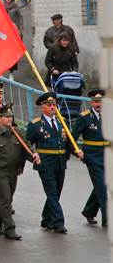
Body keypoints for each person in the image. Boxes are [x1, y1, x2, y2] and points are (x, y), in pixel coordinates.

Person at [0, 104, 40, 240]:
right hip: (0, 171)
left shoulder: (17, 133)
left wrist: (34, 154)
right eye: (7, 116)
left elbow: (27, 146)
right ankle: (9, 229)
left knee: (6, 199)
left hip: (14, 171)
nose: (10, 119)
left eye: (11, 116)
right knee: (6, 199)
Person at [26, 92, 83, 234]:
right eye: (49, 105)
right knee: (52, 192)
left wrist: (77, 151)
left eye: (54, 104)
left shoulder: (61, 121)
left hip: (60, 162)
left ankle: (46, 219)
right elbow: (27, 143)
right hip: (45, 163)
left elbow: (68, 141)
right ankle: (58, 222)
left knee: (56, 193)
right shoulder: (36, 124)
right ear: (42, 107)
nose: (52, 107)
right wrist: (34, 153)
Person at [72, 89, 107, 227]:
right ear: (91, 102)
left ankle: (89, 211)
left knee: (103, 185)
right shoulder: (84, 117)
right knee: (102, 187)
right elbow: (73, 138)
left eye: (101, 101)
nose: (99, 104)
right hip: (92, 156)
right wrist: (77, 151)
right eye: (96, 101)